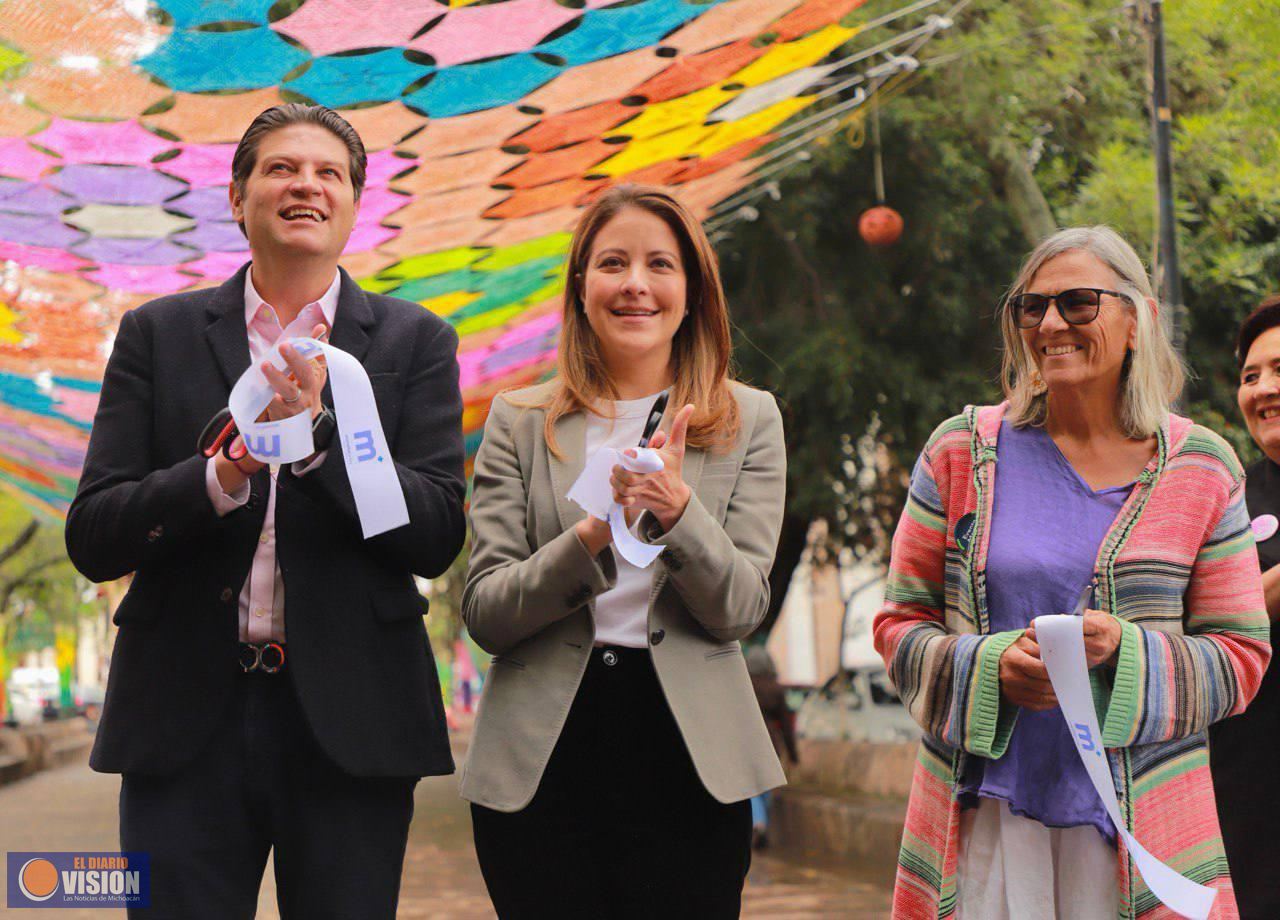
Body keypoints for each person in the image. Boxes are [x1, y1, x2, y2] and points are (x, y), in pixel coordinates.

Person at [64, 104, 466, 919]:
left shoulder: (413, 342)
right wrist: (226, 470)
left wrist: (319, 443)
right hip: (180, 722)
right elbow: (96, 533)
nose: (305, 186)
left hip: (356, 722)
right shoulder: (157, 335)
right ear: (238, 198)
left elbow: (434, 534)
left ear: (355, 205)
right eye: (281, 168)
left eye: (329, 174)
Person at [873, 226, 1270, 919]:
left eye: (1079, 303)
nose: (1050, 323)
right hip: (986, 825)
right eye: (1032, 307)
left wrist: (1126, 653)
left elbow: (1240, 657)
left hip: (1145, 833)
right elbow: (899, 627)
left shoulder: (1203, 470)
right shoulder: (958, 455)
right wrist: (991, 667)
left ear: (1136, 320)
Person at [460, 184, 787, 918]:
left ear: (692, 289)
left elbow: (740, 607)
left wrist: (678, 515)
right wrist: (590, 535)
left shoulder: (750, 420)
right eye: (613, 262)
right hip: (542, 756)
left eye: (659, 264)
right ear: (581, 288)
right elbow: (485, 610)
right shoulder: (519, 420)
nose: (635, 283)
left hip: (691, 754)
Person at [1210, 294, 1280, 919]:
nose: (1263, 389)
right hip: (1247, 806)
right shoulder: (1225, 498)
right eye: (1250, 376)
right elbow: (1197, 626)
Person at [746, 644, 798, 849]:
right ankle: (762, 824)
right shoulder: (776, 689)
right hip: (770, 744)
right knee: (766, 787)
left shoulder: (743, 684)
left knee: (752, 788)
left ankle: (758, 824)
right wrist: (793, 755)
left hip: (747, 742)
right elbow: (787, 726)